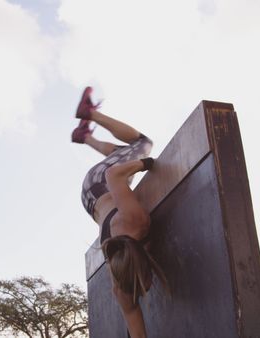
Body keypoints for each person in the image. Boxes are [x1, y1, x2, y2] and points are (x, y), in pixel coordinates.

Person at [72, 87, 167, 338]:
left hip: (98, 184)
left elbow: (114, 175)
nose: (147, 289)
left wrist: (146, 164)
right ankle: (86, 136)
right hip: (91, 201)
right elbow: (137, 330)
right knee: (120, 155)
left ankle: (90, 114)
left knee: (143, 144)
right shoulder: (121, 288)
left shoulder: (135, 221)